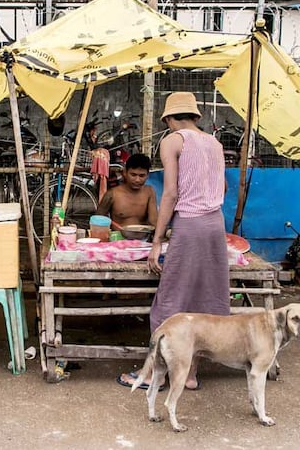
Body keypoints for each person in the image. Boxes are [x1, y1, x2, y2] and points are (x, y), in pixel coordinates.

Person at [117, 91, 228, 391]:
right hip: (215, 225)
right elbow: (224, 186)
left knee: (169, 303)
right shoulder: (215, 143)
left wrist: (156, 241)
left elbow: (171, 194)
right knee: (203, 302)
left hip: (189, 226)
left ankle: (153, 373)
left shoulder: (172, 141)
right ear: (194, 116)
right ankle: (190, 374)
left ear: (168, 119)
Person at [95, 153, 158, 229]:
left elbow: (153, 221)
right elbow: (97, 221)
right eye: (133, 175)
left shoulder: (149, 192)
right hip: (118, 238)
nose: (137, 180)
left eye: (142, 176)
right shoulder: (112, 194)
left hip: (143, 238)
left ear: (147, 175)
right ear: (125, 173)